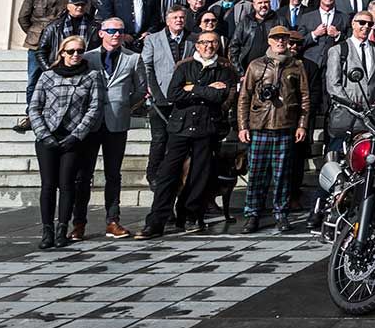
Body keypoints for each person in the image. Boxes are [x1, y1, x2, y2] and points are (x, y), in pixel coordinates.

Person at [138, 31, 236, 239]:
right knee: (167, 174)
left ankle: (191, 216)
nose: (208, 47)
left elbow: (220, 96)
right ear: (197, 45)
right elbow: (173, 94)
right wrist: (204, 89)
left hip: (206, 127)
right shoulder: (184, 67)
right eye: (204, 43)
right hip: (180, 127)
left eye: (213, 43)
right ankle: (156, 220)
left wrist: (192, 88)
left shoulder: (224, 69)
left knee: (199, 176)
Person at [27, 35, 106, 249]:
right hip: (48, 136)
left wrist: (76, 135)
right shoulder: (47, 76)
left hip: (73, 137)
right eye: (70, 51)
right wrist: (44, 134)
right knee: (48, 185)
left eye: (79, 51)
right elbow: (34, 107)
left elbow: (95, 108)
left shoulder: (92, 76)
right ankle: (47, 230)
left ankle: (63, 228)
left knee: (67, 183)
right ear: (62, 52)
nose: (75, 55)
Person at [234, 26, 311, 233]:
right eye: (276, 38)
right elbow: (244, 97)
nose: (280, 42)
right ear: (269, 40)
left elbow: (304, 98)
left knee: (282, 176)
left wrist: (302, 124)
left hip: (285, 126)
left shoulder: (296, 66)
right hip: (259, 126)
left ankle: (281, 213)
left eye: (284, 39)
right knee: (257, 175)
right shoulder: (256, 65)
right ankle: (252, 214)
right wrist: (243, 126)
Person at [75, 20, 143, 239]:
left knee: (113, 174)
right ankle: (79, 222)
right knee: (83, 175)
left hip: (117, 122)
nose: (116, 35)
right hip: (91, 123)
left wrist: (124, 104)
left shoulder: (133, 58)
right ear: (102, 33)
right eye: (112, 31)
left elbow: (140, 89)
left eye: (120, 31)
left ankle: (113, 220)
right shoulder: (88, 57)